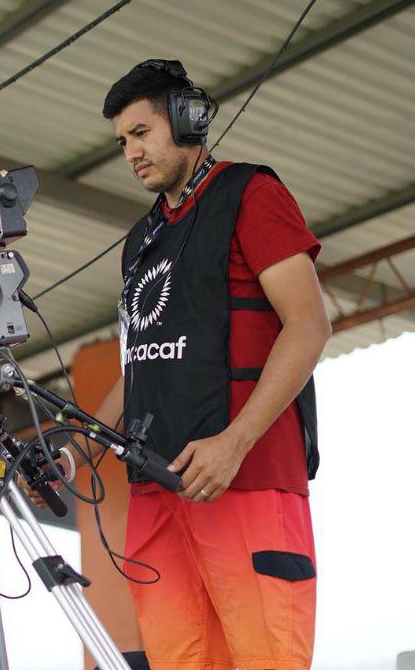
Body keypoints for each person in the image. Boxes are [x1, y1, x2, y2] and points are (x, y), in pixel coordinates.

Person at [88, 60, 331, 669]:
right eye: (121, 142)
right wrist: (78, 448)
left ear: (186, 120)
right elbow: (139, 364)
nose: (131, 153)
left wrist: (233, 443)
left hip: (241, 476)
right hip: (155, 489)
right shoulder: (140, 240)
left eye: (141, 133)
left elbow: (309, 324)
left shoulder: (251, 193)